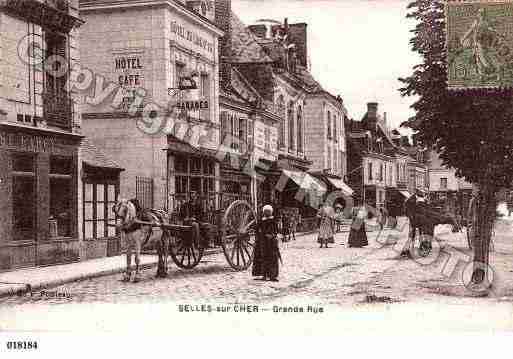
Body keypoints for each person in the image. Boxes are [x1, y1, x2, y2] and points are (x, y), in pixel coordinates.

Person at [252, 205, 281, 282]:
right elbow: (257, 230)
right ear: (264, 212)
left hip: (271, 242)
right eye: (266, 212)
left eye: (268, 211)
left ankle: (272, 275)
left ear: (271, 212)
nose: (267, 213)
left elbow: (276, 230)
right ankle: (264, 275)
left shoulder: (273, 220)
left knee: (272, 258)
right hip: (264, 242)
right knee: (264, 258)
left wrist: (272, 235)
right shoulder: (261, 221)